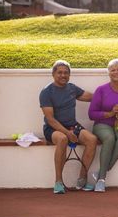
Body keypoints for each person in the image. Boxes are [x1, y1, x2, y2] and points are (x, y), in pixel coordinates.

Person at [39, 59, 97, 194]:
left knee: (92, 140)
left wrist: (110, 97)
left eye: (66, 73)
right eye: (59, 72)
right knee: (62, 139)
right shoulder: (46, 92)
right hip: (52, 129)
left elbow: (90, 97)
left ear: (69, 75)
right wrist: (67, 132)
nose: (63, 75)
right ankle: (58, 182)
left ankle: (82, 179)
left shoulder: (72, 88)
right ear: (53, 74)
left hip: (72, 126)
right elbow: (50, 119)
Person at [88, 58, 118, 192]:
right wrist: (110, 114)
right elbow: (91, 114)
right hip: (102, 125)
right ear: (109, 73)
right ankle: (101, 180)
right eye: (113, 70)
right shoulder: (101, 90)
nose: (116, 72)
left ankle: (101, 171)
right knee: (109, 138)